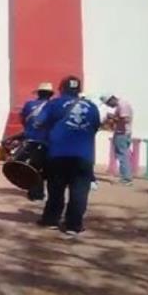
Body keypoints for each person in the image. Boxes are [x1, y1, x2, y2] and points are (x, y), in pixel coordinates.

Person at [37, 76, 100, 236]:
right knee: (79, 191)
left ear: (61, 89)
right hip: (83, 155)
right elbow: (95, 126)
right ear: (79, 90)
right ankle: (73, 225)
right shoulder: (92, 107)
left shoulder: (54, 104)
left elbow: (39, 122)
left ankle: (51, 220)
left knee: (56, 189)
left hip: (58, 153)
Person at [18, 82, 55, 200]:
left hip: (30, 139)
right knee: (44, 167)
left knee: (32, 166)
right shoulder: (54, 106)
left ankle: (34, 190)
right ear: (50, 94)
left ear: (38, 93)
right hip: (46, 141)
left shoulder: (29, 104)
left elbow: (23, 119)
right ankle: (38, 192)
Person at [101, 94, 134, 185]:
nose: (109, 106)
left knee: (122, 155)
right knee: (123, 155)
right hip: (122, 132)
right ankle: (126, 177)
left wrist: (113, 118)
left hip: (122, 133)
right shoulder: (122, 105)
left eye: (108, 103)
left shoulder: (122, 105)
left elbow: (126, 119)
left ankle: (126, 178)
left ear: (112, 99)